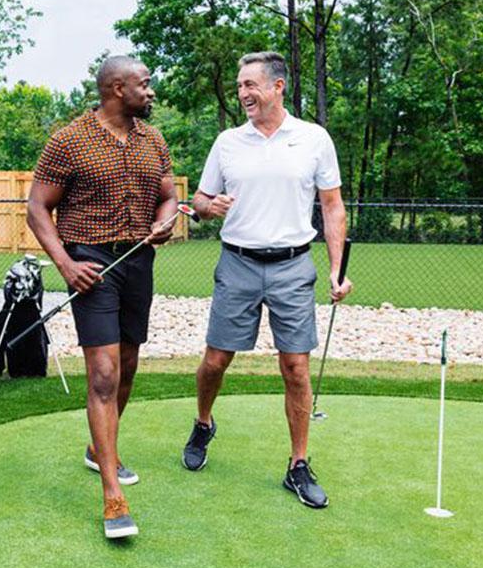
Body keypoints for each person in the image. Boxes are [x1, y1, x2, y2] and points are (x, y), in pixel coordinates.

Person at [181, 51, 352, 509]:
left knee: (295, 366)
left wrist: (338, 269)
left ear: (278, 87)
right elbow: (199, 199)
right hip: (236, 262)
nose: (242, 94)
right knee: (216, 360)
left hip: (293, 265)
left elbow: (332, 206)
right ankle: (203, 423)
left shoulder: (313, 139)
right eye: (239, 86)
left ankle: (297, 465)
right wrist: (205, 207)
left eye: (250, 85)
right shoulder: (227, 142)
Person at [27, 55, 178, 539]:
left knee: (128, 365)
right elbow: (37, 209)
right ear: (117, 89)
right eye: (145, 84)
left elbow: (169, 194)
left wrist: (165, 219)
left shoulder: (153, 139)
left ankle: (98, 451)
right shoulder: (69, 141)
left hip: (137, 262)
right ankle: (113, 495)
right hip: (90, 264)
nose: (151, 92)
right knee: (105, 374)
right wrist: (66, 265)